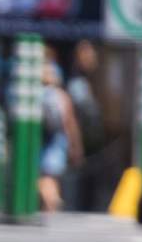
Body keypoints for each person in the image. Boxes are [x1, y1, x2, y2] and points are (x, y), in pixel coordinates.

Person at [65, 40, 107, 211]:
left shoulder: (94, 80)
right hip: (82, 142)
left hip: (95, 144)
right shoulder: (76, 84)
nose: (91, 58)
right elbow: (72, 117)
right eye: (86, 55)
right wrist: (76, 144)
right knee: (76, 186)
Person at [38, 57, 83, 213]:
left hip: (42, 140)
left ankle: (51, 201)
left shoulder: (37, 94)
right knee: (51, 175)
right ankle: (52, 200)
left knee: (45, 176)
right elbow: (70, 122)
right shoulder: (62, 96)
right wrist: (75, 144)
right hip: (58, 140)